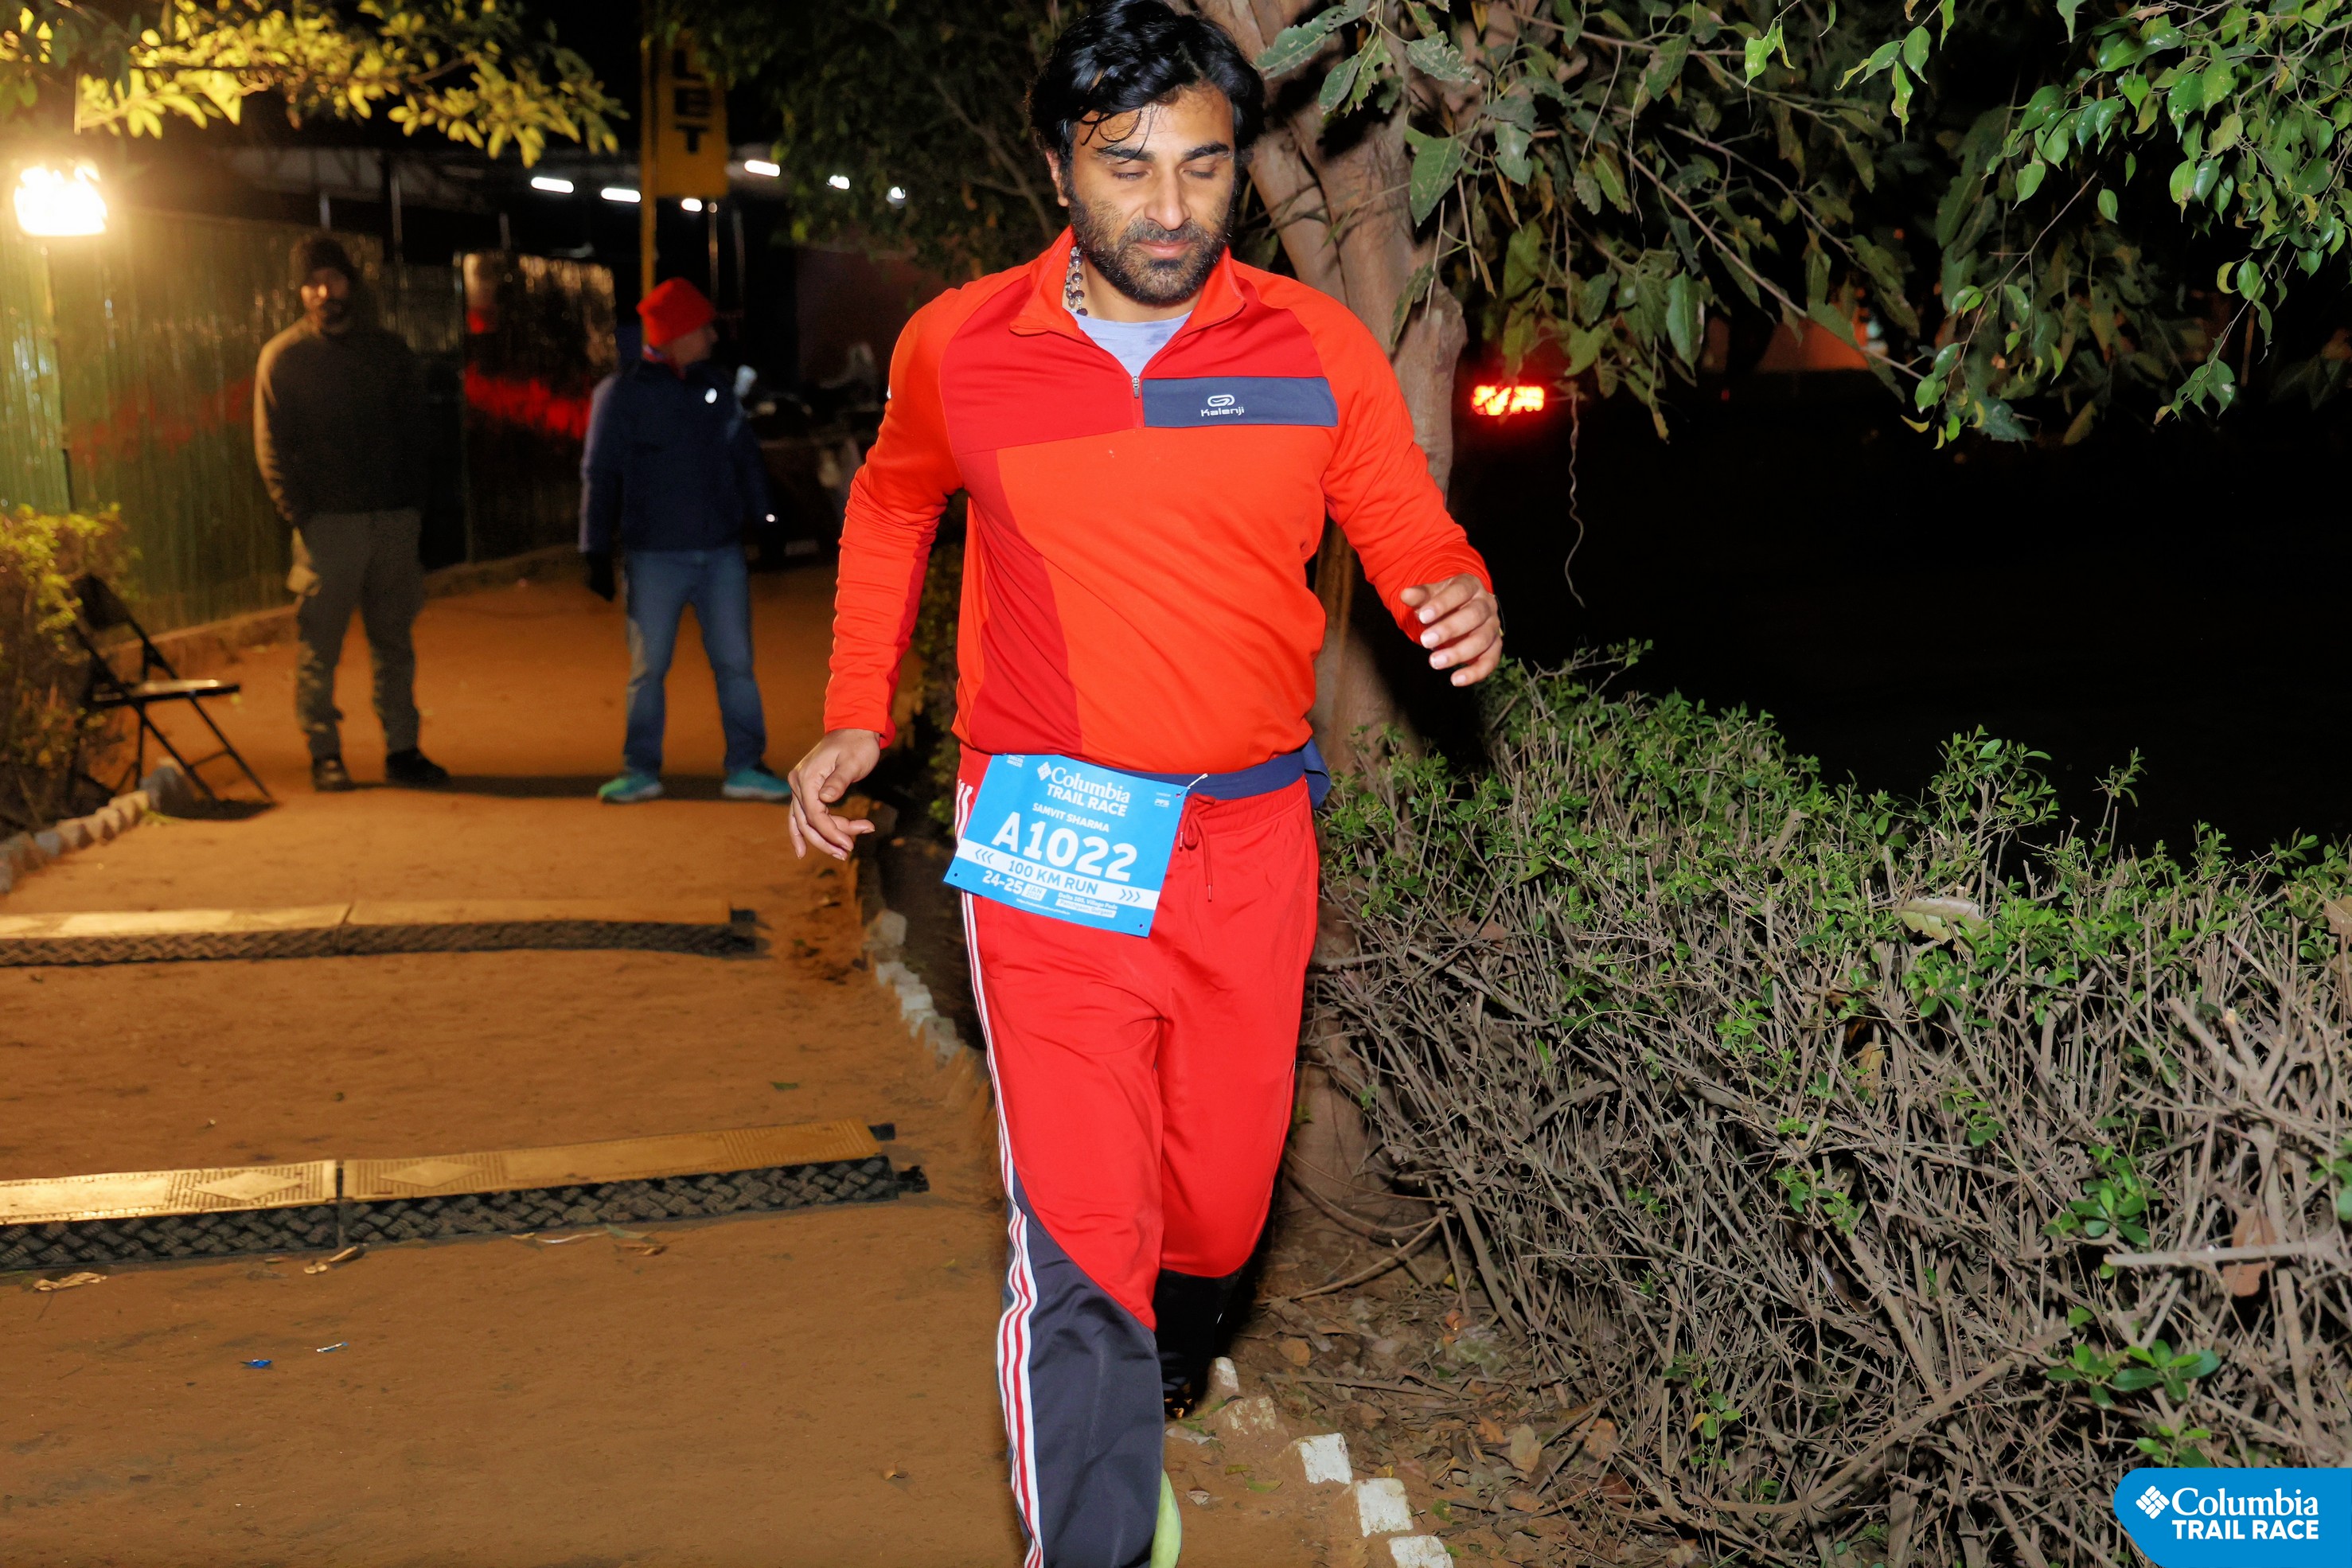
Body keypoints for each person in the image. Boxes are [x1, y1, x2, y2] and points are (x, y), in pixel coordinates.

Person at [786, 4, 1502, 1563]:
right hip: (1053, 834)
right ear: (1060, 168)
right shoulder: (962, 346)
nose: (1171, 208)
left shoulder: (1308, 347)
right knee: (1080, 1233)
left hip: (1249, 838)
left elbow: (1401, 519)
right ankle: (1096, 1522)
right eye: (1129, 167)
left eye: (1204, 166)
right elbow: (893, 509)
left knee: (1219, 1208)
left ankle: (1165, 1338)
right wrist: (855, 710)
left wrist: (1453, 587)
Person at [579, 278, 790, 805]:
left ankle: (745, 766)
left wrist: (766, 520)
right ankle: (640, 768)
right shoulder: (622, 395)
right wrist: (595, 550)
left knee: (735, 664)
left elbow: (745, 457)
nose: (712, 337)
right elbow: (600, 474)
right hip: (654, 557)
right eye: (702, 328)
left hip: (720, 553)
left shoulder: (712, 386)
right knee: (649, 670)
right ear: (675, 334)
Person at [253, 235, 448, 792]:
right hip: (328, 529)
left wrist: (413, 508)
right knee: (320, 647)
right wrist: (300, 513)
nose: (323, 293)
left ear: (350, 285)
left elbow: (417, 434)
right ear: (301, 292)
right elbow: (270, 446)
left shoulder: (389, 353)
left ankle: (403, 750)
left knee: (395, 644)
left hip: (392, 522)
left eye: (333, 280)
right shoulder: (284, 358)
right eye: (312, 284)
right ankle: (325, 753)